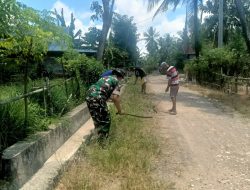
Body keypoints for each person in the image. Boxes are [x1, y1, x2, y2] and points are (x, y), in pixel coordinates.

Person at [85, 68, 125, 143]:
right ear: (120, 77)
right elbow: (115, 98)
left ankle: (96, 137)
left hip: (89, 96)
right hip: (98, 98)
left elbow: (104, 90)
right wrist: (120, 110)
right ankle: (102, 143)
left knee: (97, 118)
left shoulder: (105, 77)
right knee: (106, 121)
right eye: (122, 78)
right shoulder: (116, 81)